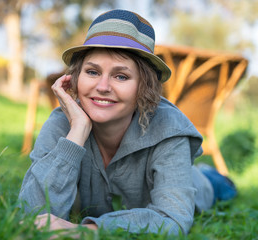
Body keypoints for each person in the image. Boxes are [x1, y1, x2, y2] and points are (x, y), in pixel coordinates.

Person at [18, 9, 237, 236]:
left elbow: (173, 220)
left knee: (216, 185)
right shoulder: (63, 124)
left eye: (121, 76)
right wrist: (77, 133)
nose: (102, 86)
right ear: (75, 78)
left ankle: (213, 176)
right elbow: (30, 213)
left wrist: (84, 231)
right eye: (92, 72)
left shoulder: (169, 128)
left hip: (200, 184)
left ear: (144, 86)